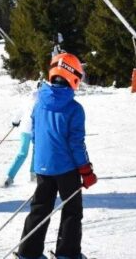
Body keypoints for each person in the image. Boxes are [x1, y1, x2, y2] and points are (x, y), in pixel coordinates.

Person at [17, 53, 95, 259]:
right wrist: (86, 170)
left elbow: (35, 133)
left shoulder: (39, 103)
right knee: (72, 210)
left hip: (42, 166)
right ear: (73, 77)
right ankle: (67, 254)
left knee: (40, 208)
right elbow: (76, 143)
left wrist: (43, 156)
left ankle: (28, 253)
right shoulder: (74, 109)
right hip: (66, 169)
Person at [2, 82, 41, 188]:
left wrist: (15, 121)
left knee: (26, 153)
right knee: (32, 152)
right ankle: (13, 176)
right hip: (34, 130)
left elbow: (20, 111)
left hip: (28, 129)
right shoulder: (42, 99)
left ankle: (12, 176)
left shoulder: (28, 98)